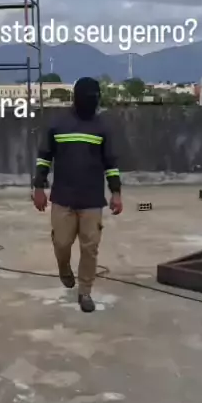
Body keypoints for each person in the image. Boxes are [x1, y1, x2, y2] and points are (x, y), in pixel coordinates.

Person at [32, 76, 123, 313]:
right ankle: (64, 268)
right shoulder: (58, 125)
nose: (92, 103)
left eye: (95, 99)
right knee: (61, 243)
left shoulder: (102, 127)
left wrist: (116, 192)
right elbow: (44, 158)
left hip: (92, 200)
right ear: (76, 98)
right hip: (63, 198)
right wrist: (39, 188)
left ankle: (85, 292)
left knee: (90, 248)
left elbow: (110, 163)